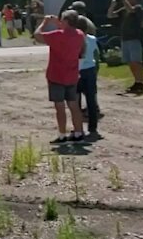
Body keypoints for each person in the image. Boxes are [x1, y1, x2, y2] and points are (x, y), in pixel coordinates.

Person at [34, 12, 86, 143]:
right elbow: (68, 32)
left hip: (56, 74)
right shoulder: (80, 34)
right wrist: (59, 23)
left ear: (67, 21)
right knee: (74, 105)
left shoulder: (57, 35)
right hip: (72, 74)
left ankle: (62, 134)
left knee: (60, 106)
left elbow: (37, 36)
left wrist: (45, 23)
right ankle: (78, 132)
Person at [108, 0, 143, 93]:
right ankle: (137, 81)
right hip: (125, 39)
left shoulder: (138, 8)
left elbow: (131, 10)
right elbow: (110, 15)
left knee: (136, 61)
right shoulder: (123, 10)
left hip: (134, 38)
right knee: (130, 62)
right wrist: (112, 5)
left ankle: (141, 82)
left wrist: (123, 0)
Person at [77, 16, 101, 140]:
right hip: (90, 69)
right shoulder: (92, 39)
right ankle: (93, 127)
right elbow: (96, 55)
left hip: (77, 70)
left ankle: (78, 126)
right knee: (91, 99)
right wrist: (97, 68)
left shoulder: (74, 40)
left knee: (76, 100)